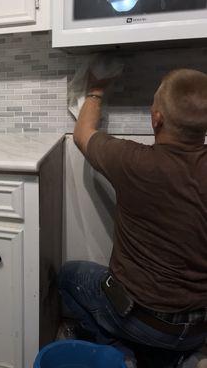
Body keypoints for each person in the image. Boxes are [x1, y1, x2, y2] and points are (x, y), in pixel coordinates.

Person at [58, 68, 207, 368]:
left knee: (68, 277)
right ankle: (182, 358)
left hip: (139, 319)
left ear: (156, 119)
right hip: (198, 329)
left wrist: (96, 89)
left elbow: (82, 133)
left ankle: (119, 352)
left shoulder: (134, 162)